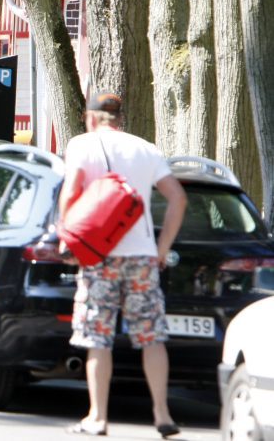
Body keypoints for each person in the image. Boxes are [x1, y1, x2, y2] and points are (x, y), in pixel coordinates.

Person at [58, 92, 187, 438]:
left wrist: (66, 237)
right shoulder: (146, 149)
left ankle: (98, 418)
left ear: (91, 118)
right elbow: (178, 196)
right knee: (151, 336)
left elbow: (71, 191)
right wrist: (161, 248)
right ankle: (162, 415)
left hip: (99, 255)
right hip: (142, 256)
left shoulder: (82, 145)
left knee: (98, 337)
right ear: (120, 119)